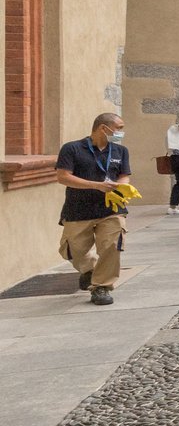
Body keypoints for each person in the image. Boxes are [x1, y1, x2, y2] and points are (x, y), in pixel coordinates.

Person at [55, 112, 137, 306]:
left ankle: (102, 287)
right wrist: (96, 185)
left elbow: (124, 174)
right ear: (103, 128)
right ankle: (89, 270)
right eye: (119, 128)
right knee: (72, 251)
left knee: (111, 247)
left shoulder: (120, 151)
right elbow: (63, 177)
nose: (121, 132)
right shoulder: (72, 148)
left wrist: (122, 187)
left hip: (112, 209)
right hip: (78, 209)